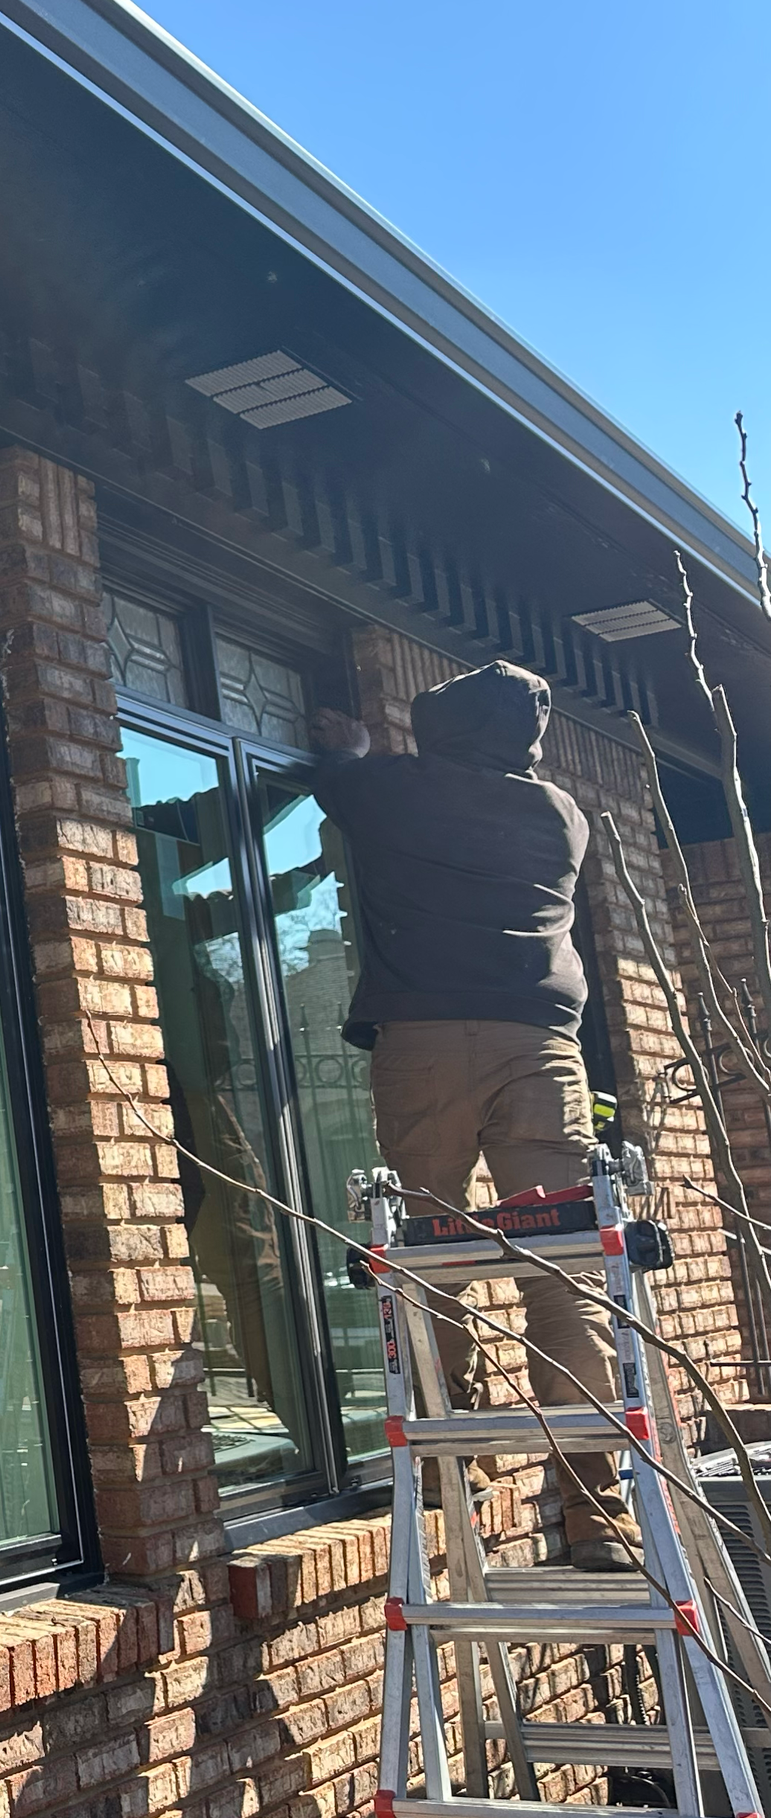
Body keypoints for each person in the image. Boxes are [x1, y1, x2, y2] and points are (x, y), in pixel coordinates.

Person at [309, 660, 630, 1568]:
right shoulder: (562, 814)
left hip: (423, 1047)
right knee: (564, 1271)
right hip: (542, 1049)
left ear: (439, 732)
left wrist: (357, 747)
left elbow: (342, 774)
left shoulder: (400, 791)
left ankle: (462, 1462)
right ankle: (598, 1514)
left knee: (432, 1254)